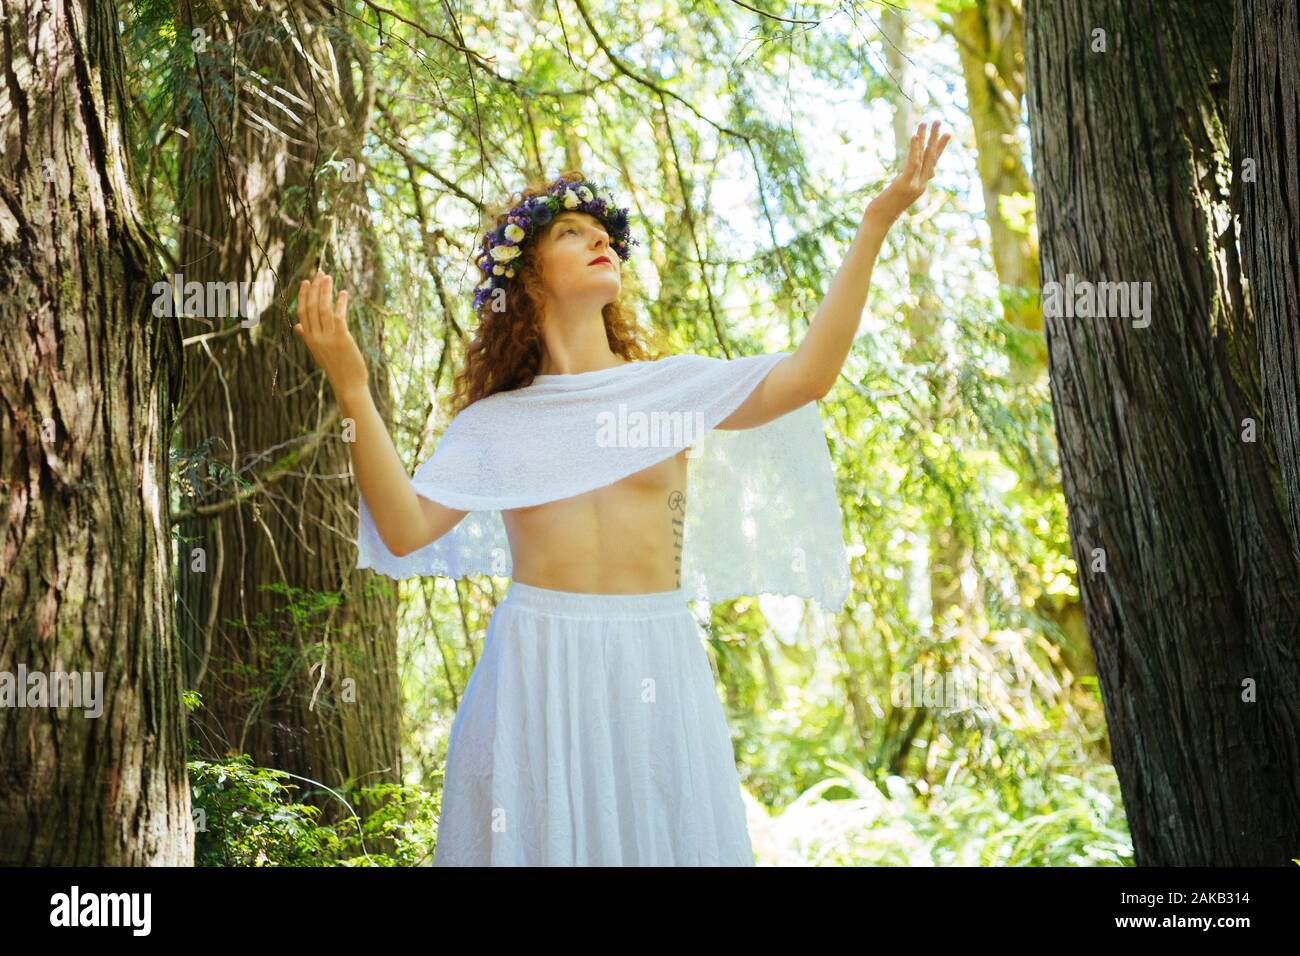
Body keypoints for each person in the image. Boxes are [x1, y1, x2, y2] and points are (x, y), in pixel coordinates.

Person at [294, 122, 950, 865]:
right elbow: (407, 527)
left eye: (605, 232)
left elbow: (808, 376)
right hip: (537, 664)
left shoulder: (669, 390)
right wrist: (352, 386)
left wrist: (875, 223)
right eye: (573, 233)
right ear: (529, 276)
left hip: (655, 654)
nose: (601, 238)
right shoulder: (497, 424)